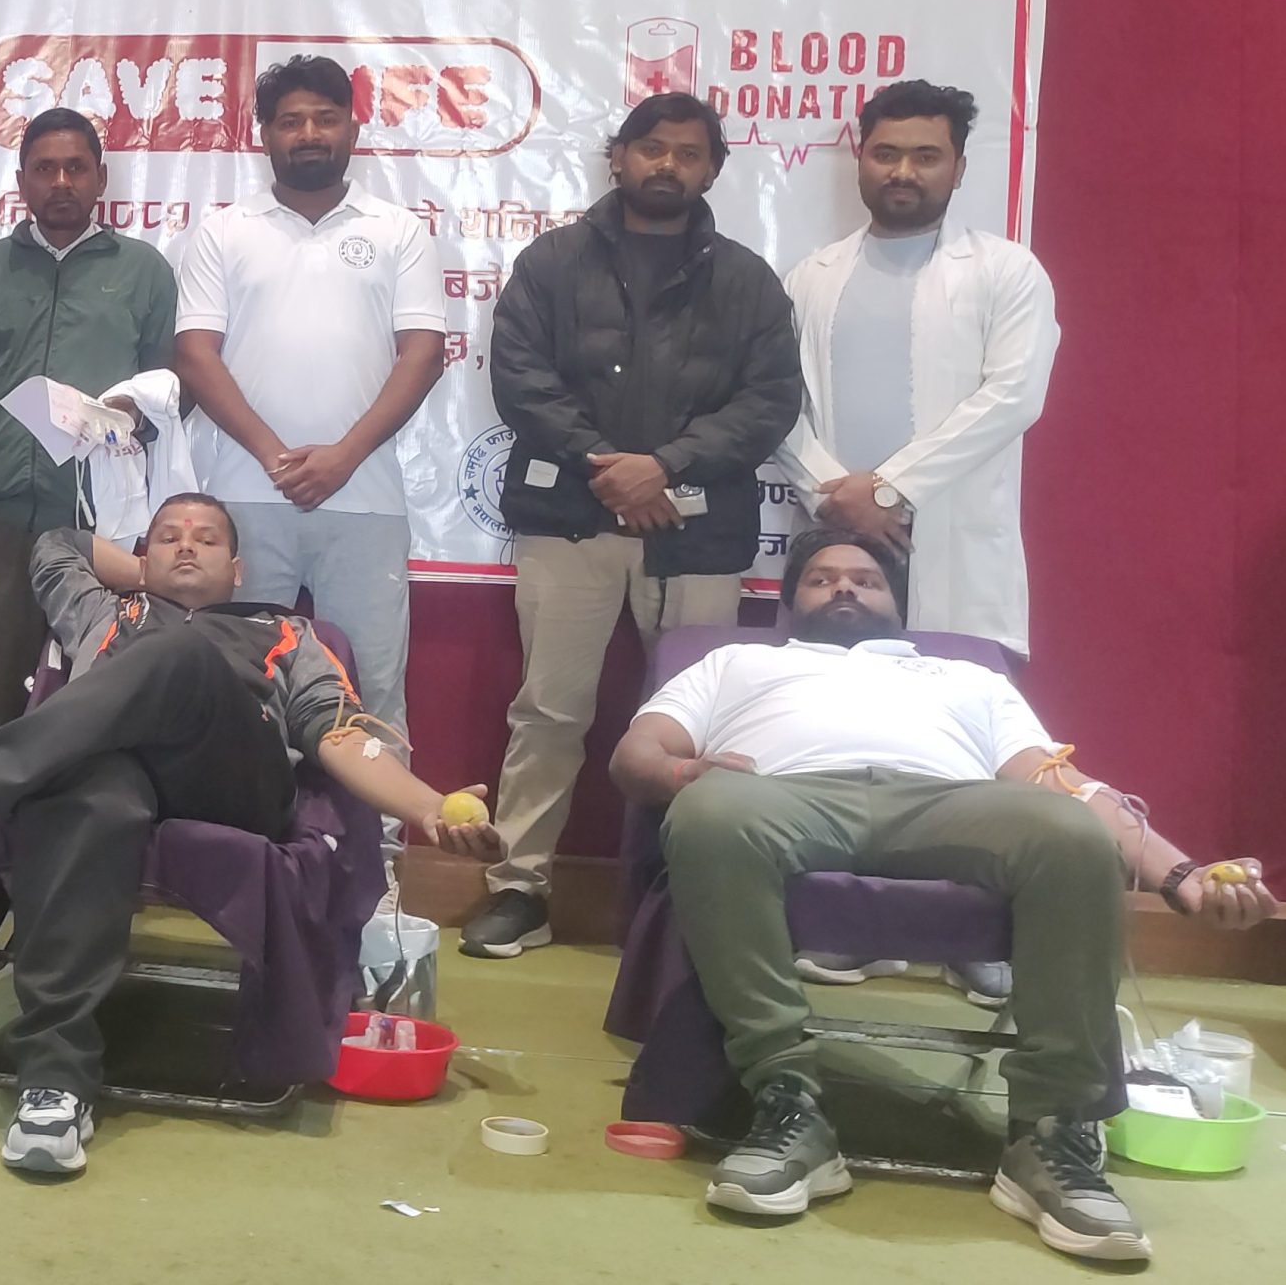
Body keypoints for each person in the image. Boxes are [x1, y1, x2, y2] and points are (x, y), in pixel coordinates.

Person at [610, 529, 1274, 1261]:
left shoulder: (966, 678)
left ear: (898, 604)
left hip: (948, 802)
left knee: (1072, 832)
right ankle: (787, 1103)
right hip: (781, 795)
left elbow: (1062, 782)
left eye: (865, 579)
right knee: (707, 812)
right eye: (822, 578)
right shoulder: (736, 662)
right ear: (790, 601)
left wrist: (1180, 875)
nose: (844, 587)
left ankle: (1052, 1132)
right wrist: (684, 776)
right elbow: (638, 753)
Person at [0, 493, 502, 1175]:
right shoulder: (104, 611)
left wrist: (428, 807)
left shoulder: (287, 633)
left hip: (232, 783)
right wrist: (141, 574)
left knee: (181, 653)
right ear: (142, 557)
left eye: (207, 539)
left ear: (239, 569)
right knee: (89, 797)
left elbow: (340, 736)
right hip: (119, 781)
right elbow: (55, 545)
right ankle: (54, 1085)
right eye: (168, 537)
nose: (187, 545)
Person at [466, 92, 800, 959]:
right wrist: (609, 469)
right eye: (651, 148)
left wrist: (667, 465)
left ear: (713, 169)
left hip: (698, 532)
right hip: (568, 521)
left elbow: (769, 401)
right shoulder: (552, 262)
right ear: (617, 157)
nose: (667, 165)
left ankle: (686, 897)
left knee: (697, 726)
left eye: (688, 153)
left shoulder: (748, 281)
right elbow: (521, 378)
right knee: (548, 710)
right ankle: (520, 888)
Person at [774, 80, 1060, 1007]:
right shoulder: (813, 276)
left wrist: (891, 489)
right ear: (858, 157)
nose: (903, 171)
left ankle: (972, 934)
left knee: (966, 742)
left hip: (950, 542)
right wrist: (839, 494)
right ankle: (859, 925)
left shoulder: (1006, 271)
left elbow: (1013, 397)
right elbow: (779, 406)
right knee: (843, 733)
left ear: (959, 167)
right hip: (840, 540)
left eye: (925, 155)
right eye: (887, 152)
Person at [168, 55, 444, 808]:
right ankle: (235, 841)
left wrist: (344, 458)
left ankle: (379, 859)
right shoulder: (225, 230)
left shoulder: (398, 231)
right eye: (291, 120)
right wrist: (275, 457)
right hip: (244, 497)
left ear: (353, 127)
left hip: (365, 499)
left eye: (325, 117)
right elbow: (196, 355)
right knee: (232, 680)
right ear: (264, 134)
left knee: (372, 687)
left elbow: (423, 354)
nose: (310, 133)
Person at [0, 107, 176, 737]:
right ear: (21, 181)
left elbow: (173, 389)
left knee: (103, 696)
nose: (61, 182)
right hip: (1, 522)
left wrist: (131, 414)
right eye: (44, 169)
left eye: (75, 168)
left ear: (101, 178)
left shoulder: (144, 271)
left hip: (102, 522)